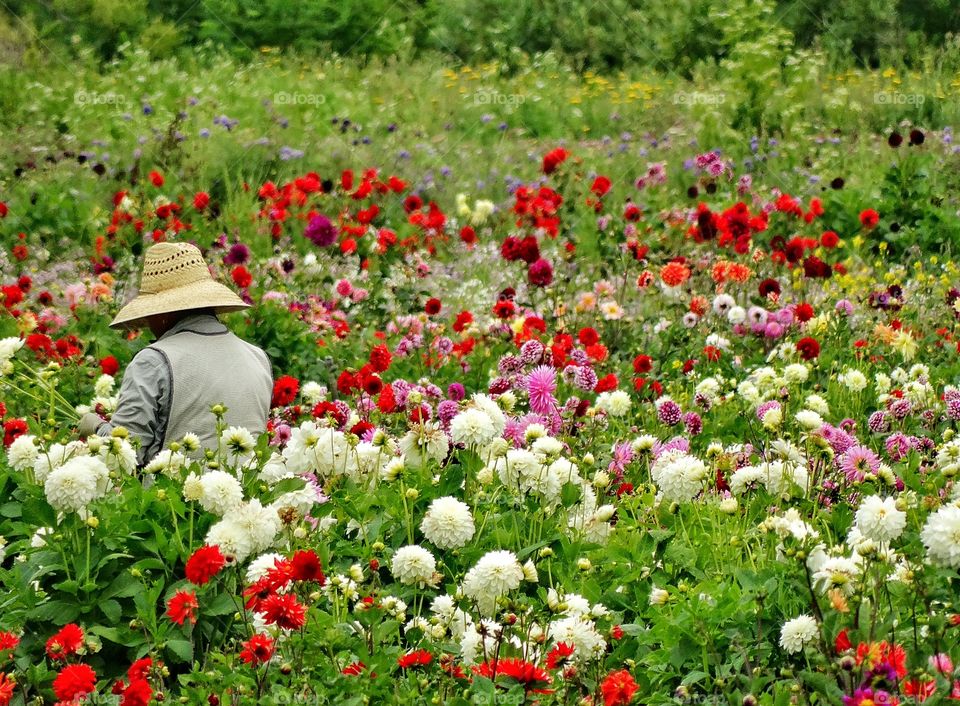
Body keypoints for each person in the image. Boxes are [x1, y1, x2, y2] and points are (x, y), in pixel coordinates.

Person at [79, 242, 273, 466]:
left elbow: (126, 454)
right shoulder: (257, 357)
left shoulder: (154, 361)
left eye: (150, 315)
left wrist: (95, 426)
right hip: (246, 494)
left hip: (175, 497)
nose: (149, 324)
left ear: (164, 313)